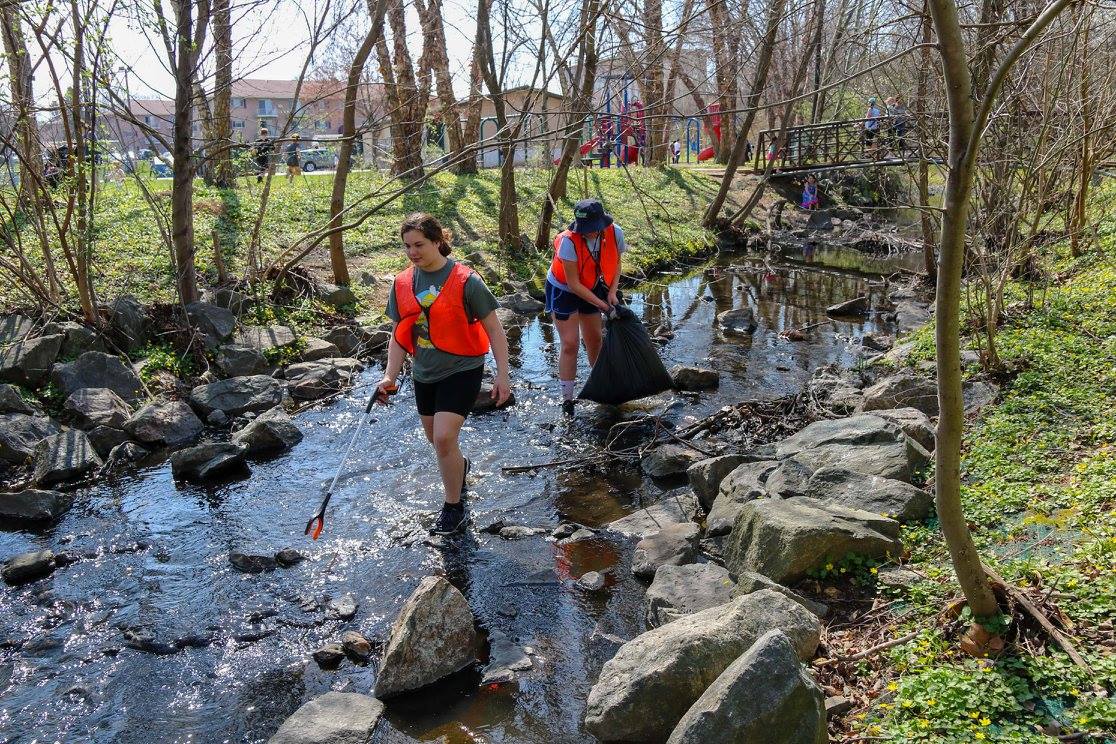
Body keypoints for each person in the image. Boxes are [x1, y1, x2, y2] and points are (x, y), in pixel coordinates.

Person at [377, 213, 511, 535]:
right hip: (424, 373)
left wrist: (502, 376)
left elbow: (495, 331)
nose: (413, 252)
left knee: (444, 437)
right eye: (407, 246)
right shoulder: (402, 283)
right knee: (439, 444)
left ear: (438, 241)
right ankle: (460, 467)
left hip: (462, 368)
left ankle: (454, 508)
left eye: (419, 244)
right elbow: (399, 335)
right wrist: (389, 376)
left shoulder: (468, 282)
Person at [545, 198, 626, 416]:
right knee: (570, 344)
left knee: (595, 339)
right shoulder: (568, 242)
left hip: (592, 285)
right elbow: (573, 284)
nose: (589, 233)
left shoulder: (615, 233)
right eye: (585, 229)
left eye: (593, 229)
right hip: (564, 289)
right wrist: (604, 306)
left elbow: (616, 264)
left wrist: (611, 293)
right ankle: (567, 399)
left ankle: (602, 389)